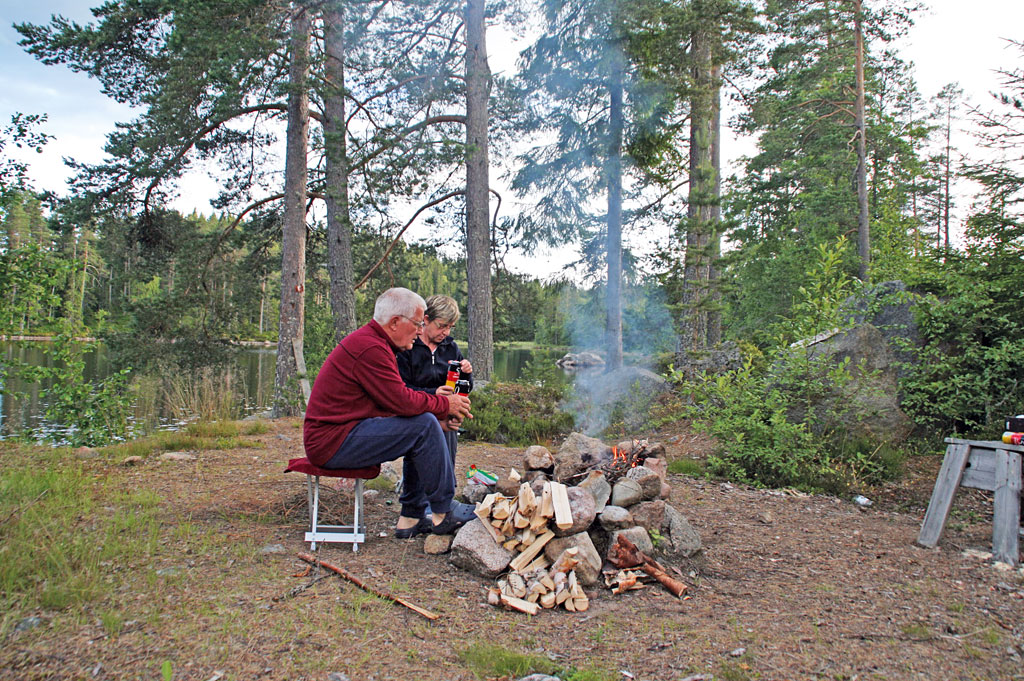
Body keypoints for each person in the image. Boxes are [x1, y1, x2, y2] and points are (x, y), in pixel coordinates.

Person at [302, 287, 476, 537]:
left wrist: (438, 416)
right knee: (424, 425)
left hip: (343, 433)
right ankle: (443, 511)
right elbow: (401, 400)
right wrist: (445, 406)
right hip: (332, 442)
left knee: (425, 425)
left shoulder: (375, 344)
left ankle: (410, 519)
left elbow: (386, 403)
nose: (419, 331)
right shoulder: (370, 348)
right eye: (417, 324)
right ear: (395, 322)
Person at [396, 294, 473, 468]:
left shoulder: (450, 347)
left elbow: (465, 389)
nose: (446, 332)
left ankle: (445, 494)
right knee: (419, 462)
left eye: (450, 327)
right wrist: (434, 393)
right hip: (417, 413)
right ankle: (414, 496)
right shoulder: (409, 347)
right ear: (426, 320)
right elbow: (401, 389)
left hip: (445, 412)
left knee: (446, 460)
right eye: (441, 326)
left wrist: (466, 374)